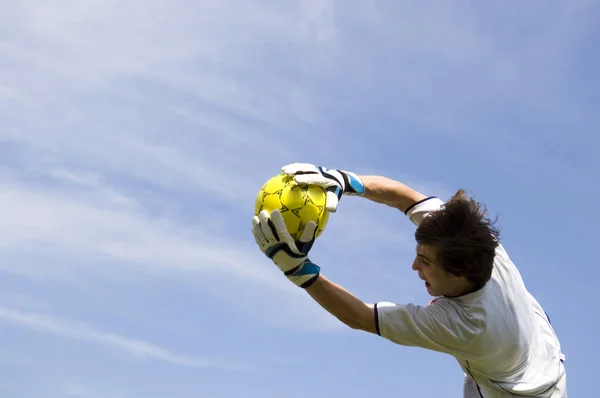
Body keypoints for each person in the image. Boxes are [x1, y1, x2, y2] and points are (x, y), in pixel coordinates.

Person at [251, 163, 567, 398]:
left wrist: (297, 269)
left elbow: (360, 316)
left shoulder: (464, 326)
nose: (414, 265)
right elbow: (406, 199)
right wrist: (346, 181)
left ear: (459, 273)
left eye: (425, 262)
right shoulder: (470, 237)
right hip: (539, 349)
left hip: (520, 393)